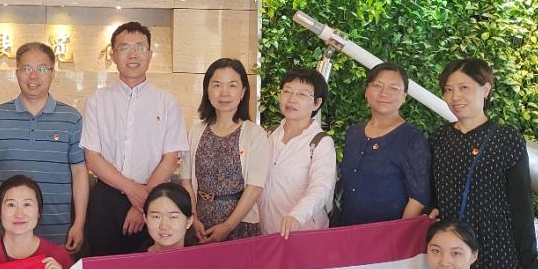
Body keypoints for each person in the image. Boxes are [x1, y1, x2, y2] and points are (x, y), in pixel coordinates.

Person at [430, 59, 538, 269]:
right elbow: (433, 194)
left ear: (486, 89)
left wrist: (531, 263)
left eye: (464, 88)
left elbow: (521, 205)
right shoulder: (438, 138)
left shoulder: (508, 140)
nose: (455, 97)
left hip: (497, 251)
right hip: (452, 253)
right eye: (448, 90)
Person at [81, 22, 188, 257]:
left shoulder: (167, 103)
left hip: (154, 199)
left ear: (150, 55)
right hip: (106, 199)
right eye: (124, 48)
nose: (133, 55)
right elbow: (92, 158)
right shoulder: (97, 101)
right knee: (104, 266)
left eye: (140, 47)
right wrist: (133, 191)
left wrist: (143, 205)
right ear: (113, 55)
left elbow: (170, 158)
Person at [0, 42, 89, 251]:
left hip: (58, 231)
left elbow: (80, 172)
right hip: (7, 231)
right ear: (17, 73)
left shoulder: (71, 119)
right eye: (26, 68)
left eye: (42, 69)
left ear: (52, 74)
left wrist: (79, 223)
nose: (33, 76)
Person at [180, 57, 269, 243]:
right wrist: (193, 217)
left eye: (232, 85)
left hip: (240, 225)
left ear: (243, 92)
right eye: (217, 85)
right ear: (207, 90)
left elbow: (254, 187)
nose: (224, 93)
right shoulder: (195, 131)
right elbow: (186, 179)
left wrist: (228, 226)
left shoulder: (254, 133)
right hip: (199, 224)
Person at [339, 62, 431, 226]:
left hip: (387, 234)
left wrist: (398, 234)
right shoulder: (354, 133)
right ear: (366, 91)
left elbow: (418, 198)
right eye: (377, 85)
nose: (384, 93)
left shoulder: (411, 139)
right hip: (347, 229)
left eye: (393, 88)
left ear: (404, 96)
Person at [257, 68, 336, 239]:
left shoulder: (321, 142)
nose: (291, 99)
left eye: (302, 94)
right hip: (266, 233)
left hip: (304, 234)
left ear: (316, 103)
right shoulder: (270, 135)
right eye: (287, 91)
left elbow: (321, 188)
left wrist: (297, 215)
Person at [144, 182, 194, 253]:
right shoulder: (133, 259)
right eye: (156, 217)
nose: (164, 226)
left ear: (189, 221)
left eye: (173, 217)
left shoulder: (203, 258)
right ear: (145, 218)